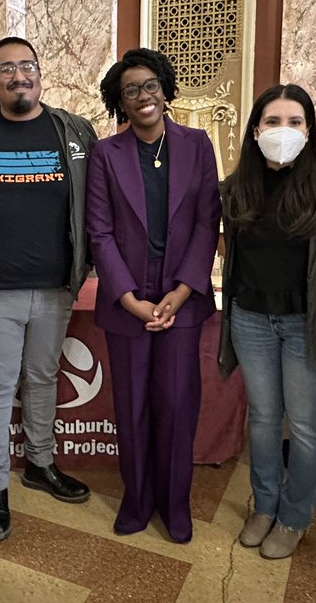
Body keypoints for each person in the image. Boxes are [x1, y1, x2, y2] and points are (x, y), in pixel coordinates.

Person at [0, 36, 98, 541]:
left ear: (40, 72)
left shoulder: (72, 130)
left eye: (27, 66)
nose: (18, 76)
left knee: (42, 379)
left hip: (57, 287)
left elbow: (94, 201)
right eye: (6, 68)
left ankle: (41, 465)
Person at [86, 48, 220, 543]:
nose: (143, 96)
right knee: (133, 404)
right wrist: (127, 298)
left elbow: (209, 222)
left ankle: (174, 503)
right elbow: (99, 232)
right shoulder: (106, 154)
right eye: (130, 91)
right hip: (128, 300)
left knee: (177, 403)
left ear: (165, 89)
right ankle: (137, 498)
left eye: (149, 85)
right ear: (120, 102)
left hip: (181, 295)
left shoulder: (198, 145)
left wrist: (183, 292)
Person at [218, 84, 316, 559]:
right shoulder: (237, 188)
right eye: (273, 122)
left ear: (309, 130)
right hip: (251, 319)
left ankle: (295, 516)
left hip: (308, 323)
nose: (283, 131)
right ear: (255, 130)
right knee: (261, 419)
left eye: (294, 122)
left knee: (306, 425)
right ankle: (265, 504)